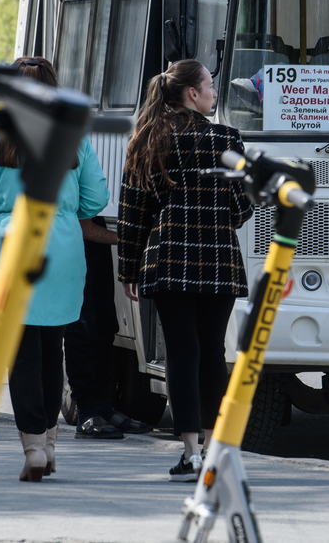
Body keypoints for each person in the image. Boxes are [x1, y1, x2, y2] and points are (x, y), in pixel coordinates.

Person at [0, 57, 109, 482]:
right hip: (62, 248)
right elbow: (97, 197)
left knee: (20, 354)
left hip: (11, 246)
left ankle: (34, 448)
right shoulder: (73, 135)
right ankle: (52, 445)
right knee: (52, 347)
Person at [117, 59, 253, 482]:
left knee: (181, 354)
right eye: (210, 85)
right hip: (218, 263)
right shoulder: (227, 139)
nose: (215, 92)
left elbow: (133, 213)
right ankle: (215, 452)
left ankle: (190, 452)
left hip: (169, 262)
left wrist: (129, 269)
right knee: (213, 353)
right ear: (192, 93)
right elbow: (242, 207)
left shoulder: (147, 140)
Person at [64, 217, 154, 439]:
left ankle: (103, 406)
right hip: (73, 240)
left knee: (105, 328)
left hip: (95, 235)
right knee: (82, 329)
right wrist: (130, 240)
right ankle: (86, 412)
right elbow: (84, 227)